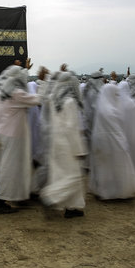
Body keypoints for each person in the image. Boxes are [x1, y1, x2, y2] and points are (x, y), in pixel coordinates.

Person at [0, 65, 42, 214]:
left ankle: (19, 196)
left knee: (17, 168)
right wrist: (48, 85)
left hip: (7, 135)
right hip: (14, 136)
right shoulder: (15, 93)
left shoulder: (0, 93)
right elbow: (37, 99)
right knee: (10, 169)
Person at [40, 72, 88, 218]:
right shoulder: (70, 102)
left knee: (63, 175)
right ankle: (50, 196)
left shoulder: (54, 100)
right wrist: (79, 149)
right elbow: (71, 128)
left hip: (57, 143)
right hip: (68, 145)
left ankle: (72, 207)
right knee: (74, 176)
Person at [88, 84, 135, 200]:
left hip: (101, 142)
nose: (117, 97)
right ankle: (116, 191)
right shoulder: (110, 110)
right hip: (112, 143)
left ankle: (105, 190)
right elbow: (116, 131)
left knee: (105, 168)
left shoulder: (102, 107)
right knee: (117, 166)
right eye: (116, 94)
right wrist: (123, 143)